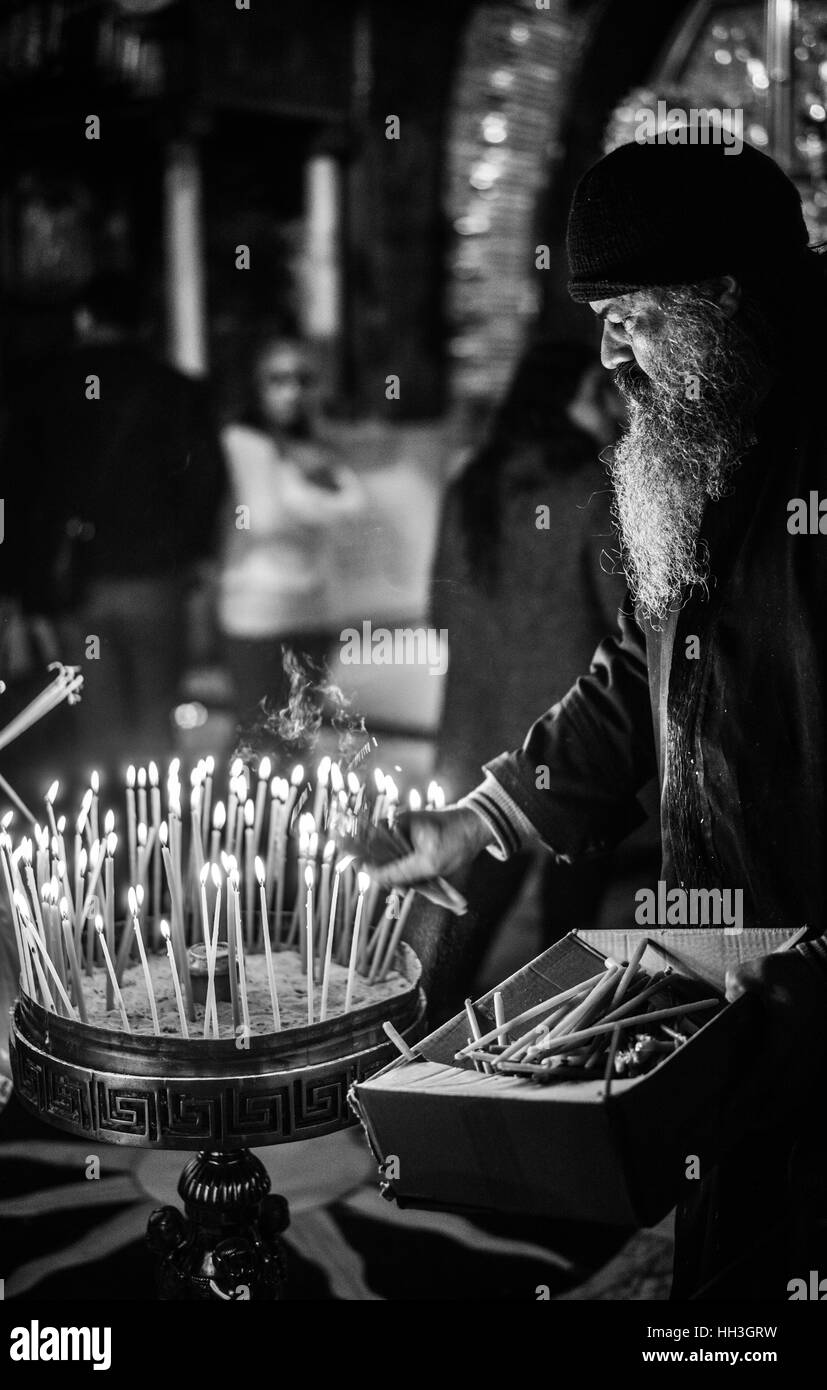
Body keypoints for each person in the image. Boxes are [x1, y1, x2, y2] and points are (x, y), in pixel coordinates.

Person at [370, 134, 827, 1299]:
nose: (611, 353)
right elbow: (641, 661)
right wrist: (479, 819)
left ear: (726, 298)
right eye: (601, 316)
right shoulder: (712, 434)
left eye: (633, 312)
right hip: (729, 983)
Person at [430, 340, 659, 1014]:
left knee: (471, 903)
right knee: (570, 920)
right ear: (584, 391)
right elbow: (633, 623)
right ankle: (538, 1049)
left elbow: (437, 608)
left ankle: (419, 1053)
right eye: (613, 382)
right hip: (568, 734)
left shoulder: (469, 482)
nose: (625, 395)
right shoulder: (598, 484)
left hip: (476, 726)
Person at [0, 273, 226, 782]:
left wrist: (18, 587)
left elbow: (17, 489)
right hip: (156, 581)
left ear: (83, 319)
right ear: (145, 323)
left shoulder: (45, 389)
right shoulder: (177, 390)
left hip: (77, 584)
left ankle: (104, 835)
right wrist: (191, 556)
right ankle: (156, 834)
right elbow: (206, 482)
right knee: (153, 716)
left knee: (95, 718)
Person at [217, 335, 363, 741]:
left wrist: (299, 496)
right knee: (256, 738)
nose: (291, 391)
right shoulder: (245, 439)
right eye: (277, 379)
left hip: (313, 610)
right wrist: (313, 493)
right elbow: (264, 518)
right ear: (257, 385)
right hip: (257, 612)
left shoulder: (318, 445)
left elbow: (352, 507)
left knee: (297, 736)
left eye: (303, 379)